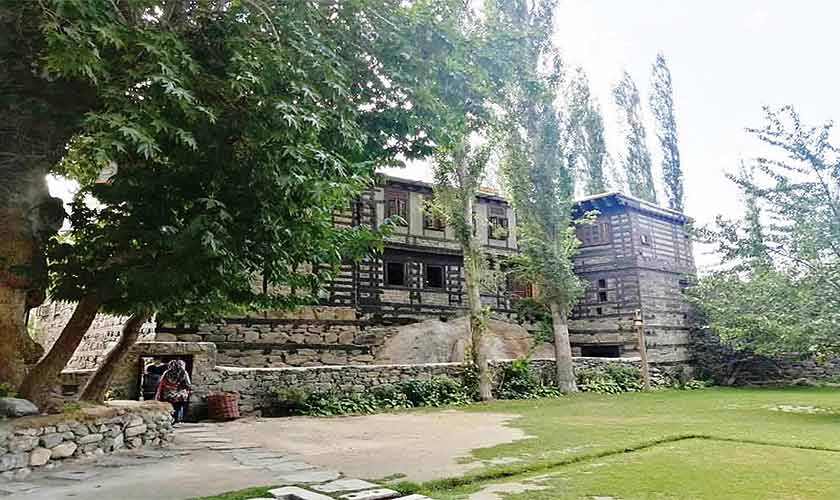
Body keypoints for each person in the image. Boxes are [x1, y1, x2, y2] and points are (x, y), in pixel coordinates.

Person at [155, 359, 191, 424]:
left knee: (169, 407)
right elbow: (188, 384)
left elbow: (161, 382)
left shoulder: (166, 373)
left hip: (168, 394)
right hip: (179, 394)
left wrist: (160, 392)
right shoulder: (183, 372)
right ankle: (177, 420)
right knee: (178, 407)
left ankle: (170, 420)